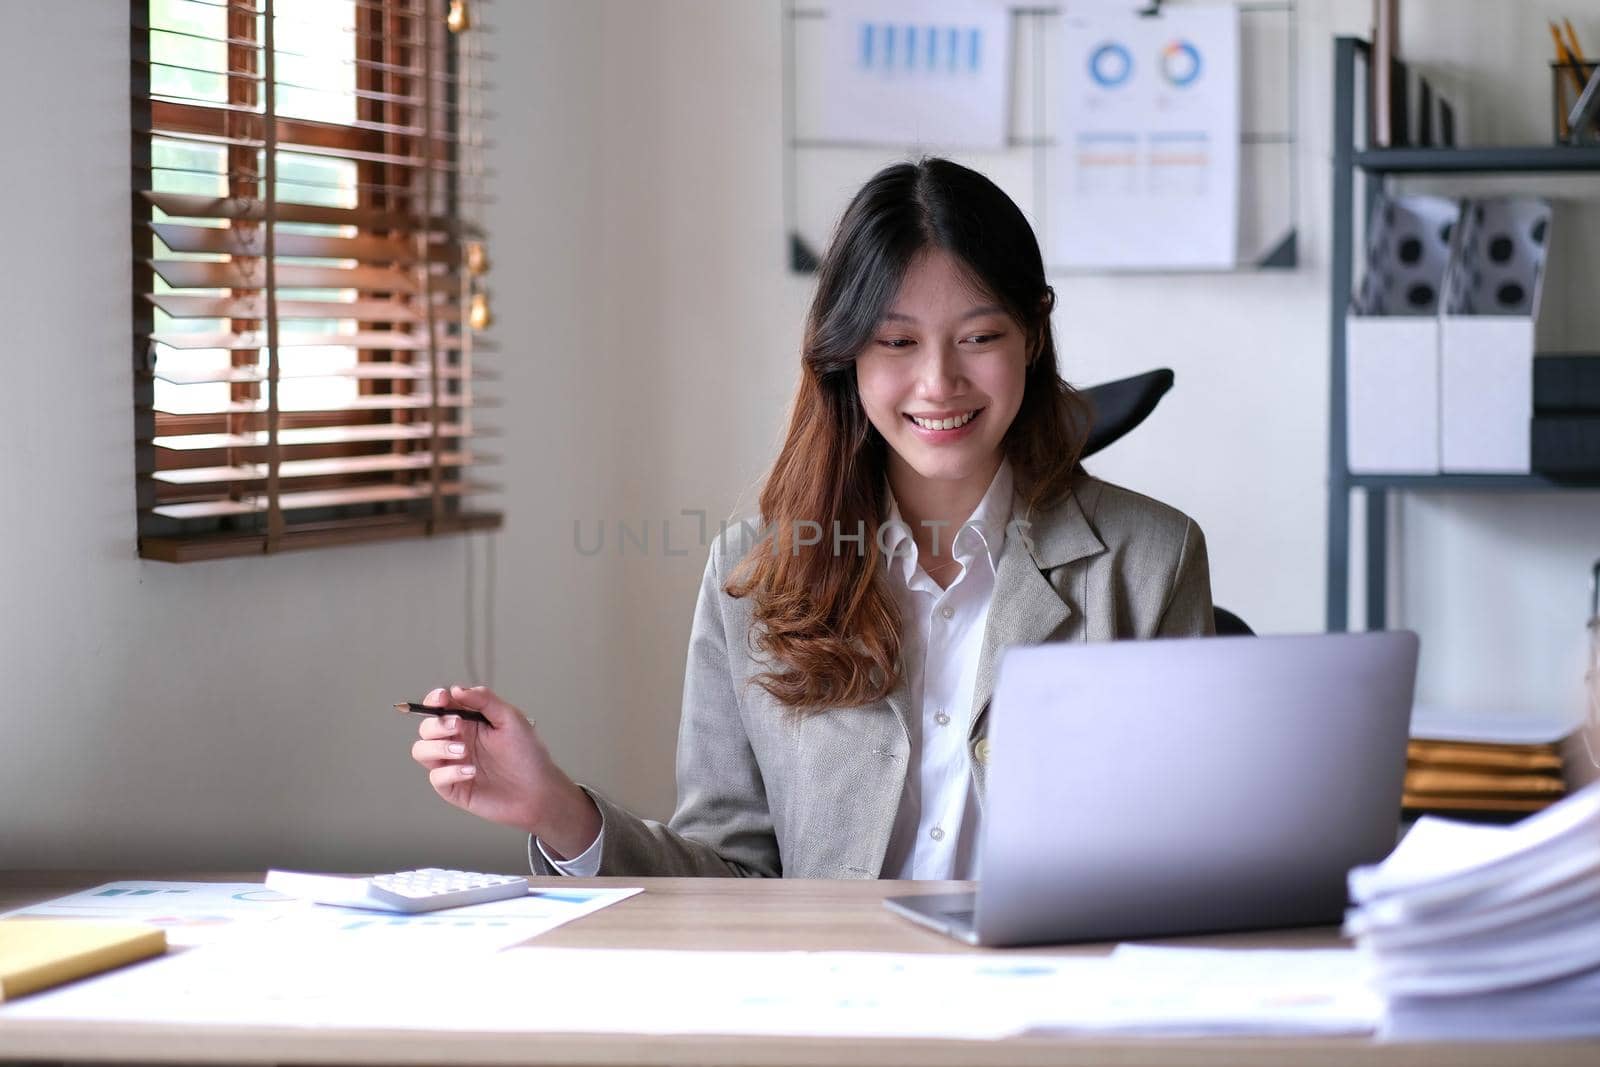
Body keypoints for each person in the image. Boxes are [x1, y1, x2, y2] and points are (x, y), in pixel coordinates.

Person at [410, 157, 1214, 879]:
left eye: (979, 336)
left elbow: (1187, 849)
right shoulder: (753, 570)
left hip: (1047, 1012)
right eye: (897, 341)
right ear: (846, 355)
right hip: (831, 1014)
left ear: (1032, 336)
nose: (939, 381)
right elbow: (730, 876)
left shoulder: (1151, 559)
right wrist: (557, 809)